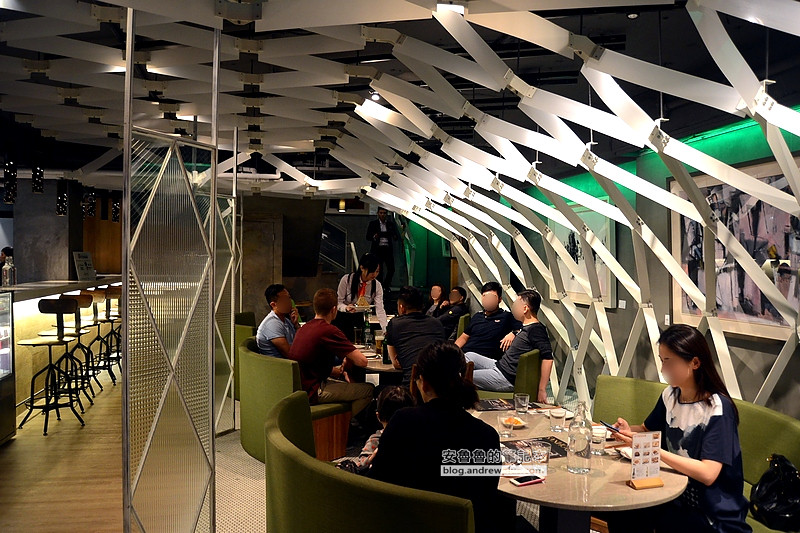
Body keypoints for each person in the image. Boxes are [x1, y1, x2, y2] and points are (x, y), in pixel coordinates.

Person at [606, 324, 751, 533]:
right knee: (622, 510)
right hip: (672, 496)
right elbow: (647, 429)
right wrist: (629, 431)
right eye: (661, 360)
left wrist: (653, 450)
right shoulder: (670, 395)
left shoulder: (717, 409)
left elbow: (708, 473)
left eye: (669, 361)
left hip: (711, 514)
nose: (663, 369)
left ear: (695, 362)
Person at [369, 341, 502, 533]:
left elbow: (378, 482)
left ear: (423, 382)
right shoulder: (487, 436)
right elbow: (486, 501)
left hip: (403, 524)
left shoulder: (402, 421)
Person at [289, 288, 375, 417]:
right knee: (368, 390)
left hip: (300, 388)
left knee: (349, 385)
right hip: (313, 391)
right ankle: (345, 425)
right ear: (334, 310)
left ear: (315, 308)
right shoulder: (329, 330)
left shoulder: (304, 328)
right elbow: (362, 361)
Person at [465, 289, 553, 402]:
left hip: (505, 376)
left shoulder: (536, 330)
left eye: (516, 305)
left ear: (525, 309)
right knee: (469, 355)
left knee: (462, 376)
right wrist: (514, 332)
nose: (513, 308)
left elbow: (548, 358)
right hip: (499, 365)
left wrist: (542, 389)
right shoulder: (527, 327)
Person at [336, 386, 415, 474]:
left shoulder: (376, 439)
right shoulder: (418, 436)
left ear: (378, 416)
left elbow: (362, 463)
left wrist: (375, 454)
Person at [385, 286, 446, 385]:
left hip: (413, 386)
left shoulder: (395, 324)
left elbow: (396, 364)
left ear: (401, 307)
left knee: (379, 389)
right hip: (442, 386)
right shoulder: (437, 323)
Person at [455, 281, 521, 360]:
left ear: (499, 299)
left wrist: (513, 333)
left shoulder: (506, 316)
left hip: (485, 359)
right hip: (465, 355)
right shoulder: (477, 316)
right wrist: (452, 351)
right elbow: (464, 337)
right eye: (485, 296)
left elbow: (525, 328)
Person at [336, 252, 388, 334]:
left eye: (377, 271)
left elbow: (380, 308)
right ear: (362, 268)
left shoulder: (377, 285)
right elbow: (338, 302)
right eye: (371, 271)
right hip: (344, 317)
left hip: (361, 318)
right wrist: (346, 308)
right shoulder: (347, 280)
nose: (374, 274)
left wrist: (385, 329)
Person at [255, 283, 299, 358]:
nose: (289, 302)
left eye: (289, 298)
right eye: (285, 299)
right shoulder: (272, 324)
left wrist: (296, 325)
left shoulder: (286, 320)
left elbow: (300, 341)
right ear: (273, 305)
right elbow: (290, 354)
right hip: (278, 364)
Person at [366, 207, 400, 289]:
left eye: (384, 213)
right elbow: (368, 236)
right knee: (379, 270)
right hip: (378, 249)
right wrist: (375, 236)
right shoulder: (373, 224)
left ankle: (386, 285)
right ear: (378, 213)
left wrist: (392, 235)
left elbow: (395, 235)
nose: (382, 215)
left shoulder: (390, 224)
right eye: (381, 213)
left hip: (387, 249)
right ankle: (380, 286)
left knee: (391, 269)